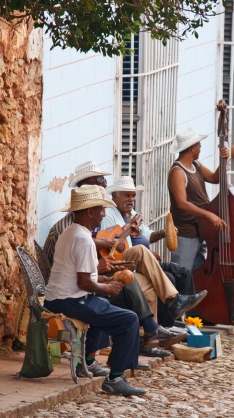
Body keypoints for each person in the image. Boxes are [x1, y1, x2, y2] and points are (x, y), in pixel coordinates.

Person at [42, 161, 189, 355]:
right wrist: (104, 282)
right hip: (71, 291)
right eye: (99, 182)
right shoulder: (70, 230)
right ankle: (121, 364)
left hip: (83, 283)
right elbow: (76, 272)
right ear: (89, 207)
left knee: (145, 283)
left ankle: (151, 333)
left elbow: (91, 258)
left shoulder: (84, 226)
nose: (104, 184)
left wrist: (105, 269)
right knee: (120, 310)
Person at [44, 185, 147, 396]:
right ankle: (116, 378)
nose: (103, 214)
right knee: (129, 320)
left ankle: (88, 361)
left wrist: (103, 280)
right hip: (68, 300)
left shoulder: (72, 232)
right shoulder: (83, 239)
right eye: (100, 209)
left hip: (61, 296)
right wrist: (107, 287)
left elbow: (82, 276)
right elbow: (84, 283)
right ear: (89, 211)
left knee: (104, 305)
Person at [104, 175, 196, 328]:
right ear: (114, 196)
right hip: (126, 261)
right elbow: (112, 244)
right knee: (164, 271)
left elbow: (147, 234)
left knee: (182, 272)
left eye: (133, 195)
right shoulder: (109, 215)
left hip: (142, 260)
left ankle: (168, 323)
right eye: (126, 195)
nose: (131, 199)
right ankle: (172, 311)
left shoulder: (133, 214)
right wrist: (141, 247)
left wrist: (163, 233)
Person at [167, 128, 230, 272]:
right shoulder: (178, 172)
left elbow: (215, 178)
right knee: (182, 274)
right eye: (199, 146)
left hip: (201, 228)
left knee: (197, 273)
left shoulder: (196, 165)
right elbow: (182, 203)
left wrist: (223, 161)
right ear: (192, 148)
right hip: (186, 232)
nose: (201, 149)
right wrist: (209, 215)